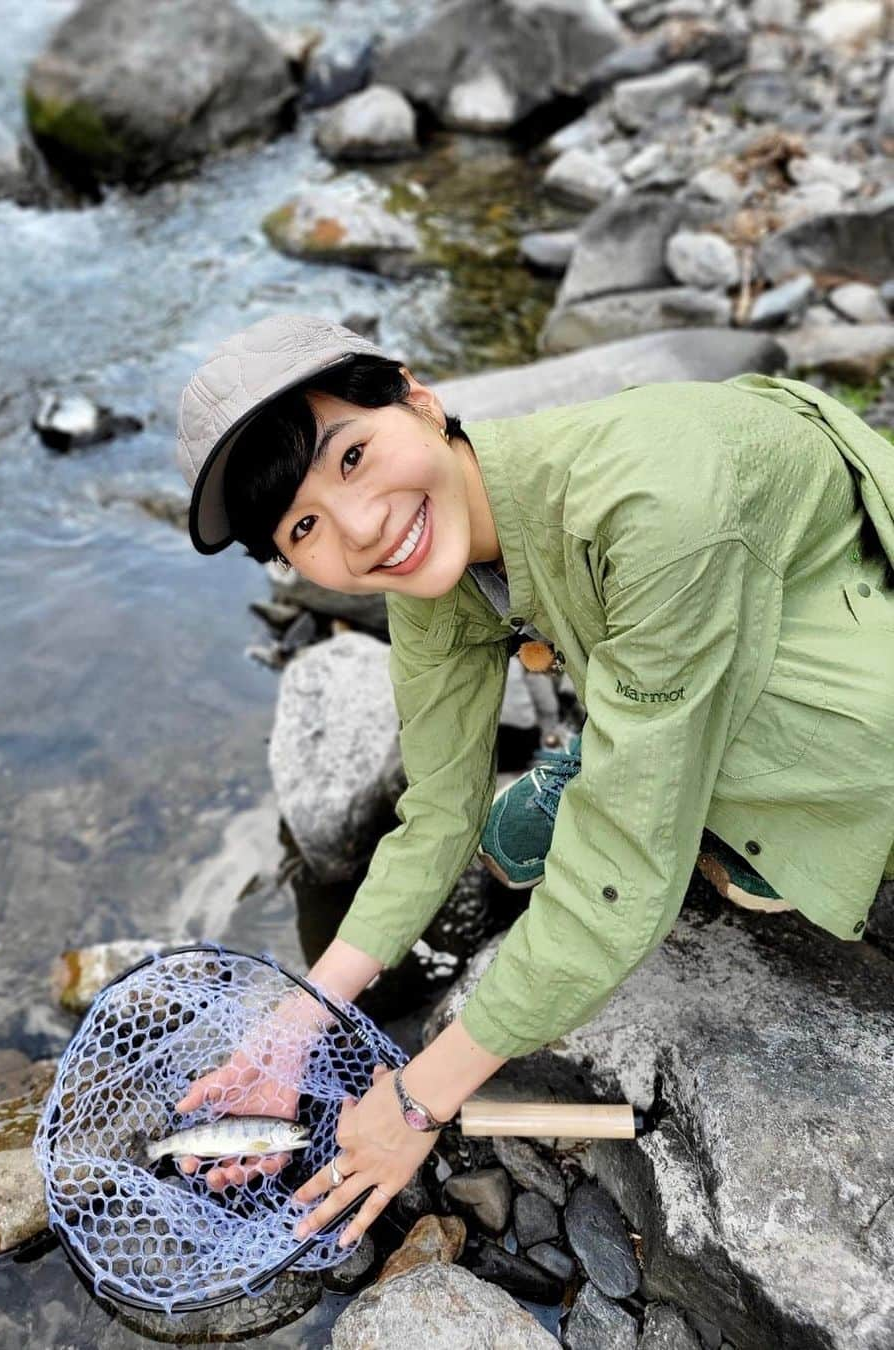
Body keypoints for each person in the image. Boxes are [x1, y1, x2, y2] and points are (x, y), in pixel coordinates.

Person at [172, 312, 894, 1251]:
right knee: (523, 823)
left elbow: (621, 876)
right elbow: (437, 812)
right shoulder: (432, 564)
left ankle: (763, 805)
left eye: (352, 458)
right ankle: (630, 738)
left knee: (646, 814)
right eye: (304, 525)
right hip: (704, 609)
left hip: (840, 639)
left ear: (419, 399)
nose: (360, 529)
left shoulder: (653, 507)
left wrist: (417, 1099)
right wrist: (297, 1022)